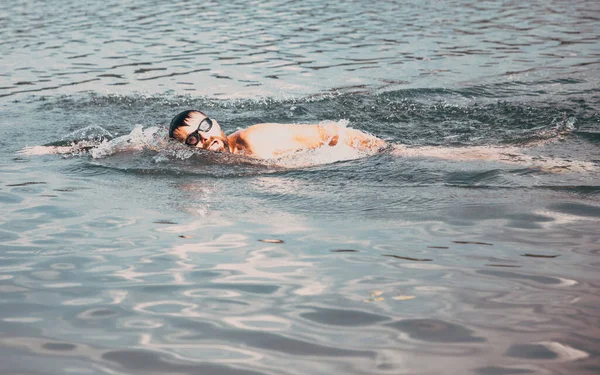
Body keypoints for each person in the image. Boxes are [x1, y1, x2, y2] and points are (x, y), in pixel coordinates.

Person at [168, 110, 386, 159]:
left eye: (205, 126)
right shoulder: (231, 152)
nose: (204, 137)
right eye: (193, 139)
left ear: (215, 123)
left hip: (365, 147)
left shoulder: (250, 142)